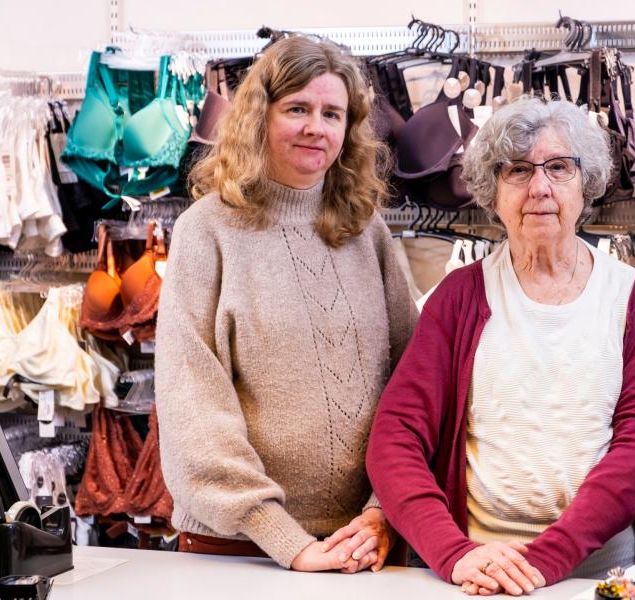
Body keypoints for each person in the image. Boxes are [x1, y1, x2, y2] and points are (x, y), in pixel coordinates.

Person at [366, 97, 635, 595]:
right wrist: (452, 552)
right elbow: (395, 438)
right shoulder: (459, 297)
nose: (539, 188)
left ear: (585, 181)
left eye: (558, 167)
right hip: (479, 577)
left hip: (603, 576)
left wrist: (547, 559)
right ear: (492, 189)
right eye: (517, 170)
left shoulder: (632, 297)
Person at [155, 36, 417, 574]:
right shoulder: (206, 232)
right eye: (297, 108)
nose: (315, 128)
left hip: (363, 546)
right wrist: (285, 541)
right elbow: (193, 406)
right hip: (237, 550)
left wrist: (380, 511)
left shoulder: (366, 232)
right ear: (258, 117)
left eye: (332, 113)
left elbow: (412, 383)